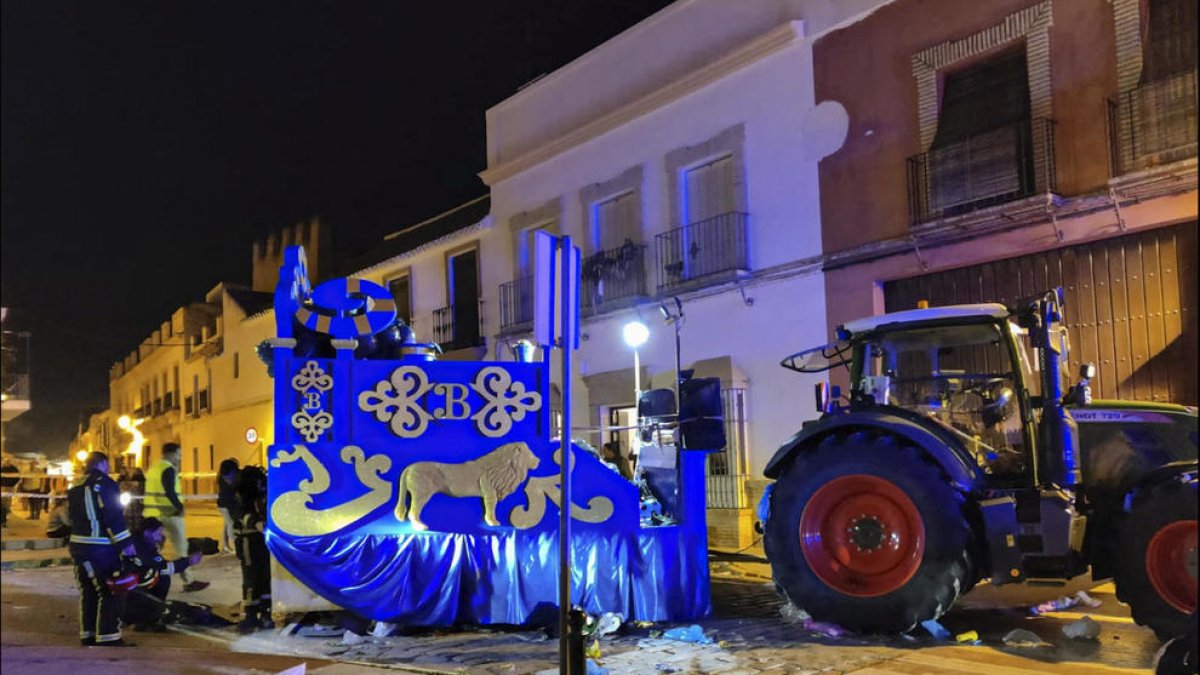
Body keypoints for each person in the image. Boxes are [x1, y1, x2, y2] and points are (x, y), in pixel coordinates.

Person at [68, 451, 136, 646]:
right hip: (98, 546)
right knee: (110, 590)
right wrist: (125, 543)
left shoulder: (76, 485)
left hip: (78, 545)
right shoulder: (105, 483)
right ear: (104, 463)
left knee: (88, 591)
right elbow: (113, 516)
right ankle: (108, 637)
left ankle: (88, 634)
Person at [143, 443, 208, 592]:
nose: (179, 458)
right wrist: (180, 507)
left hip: (153, 515)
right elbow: (170, 492)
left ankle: (148, 577)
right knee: (181, 547)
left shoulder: (153, 468)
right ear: (170, 454)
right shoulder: (168, 469)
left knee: (152, 549)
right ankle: (189, 581)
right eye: (178, 454)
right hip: (170, 513)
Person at [122, 517, 203, 631]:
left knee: (160, 577)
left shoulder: (143, 542)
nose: (160, 537)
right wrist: (188, 561)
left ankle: (148, 614)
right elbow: (163, 568)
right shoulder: (140, 547)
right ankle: (144, 617)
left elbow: (160, 564)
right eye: (158, 533)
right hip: (129, 590)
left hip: (132, 585)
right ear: (147, 532)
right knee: (162, 578)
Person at [234, 466, 272, 633]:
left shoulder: (261, 495)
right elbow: (243, 515)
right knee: (252, 578)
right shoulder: (243, 496)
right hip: (249, 542)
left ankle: (264, 614)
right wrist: (255, 522)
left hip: (261, 542)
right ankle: (251, 615)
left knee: (264, 578)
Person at [216, 459, 240, 555]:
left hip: (222, 504)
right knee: (231, 524)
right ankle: (235, 547)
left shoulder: (220, 477)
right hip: (226, 505)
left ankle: (226, 546)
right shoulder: (227, 478)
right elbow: (230, 492)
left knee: (227, 525)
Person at [0, 457, 18, 528]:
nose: (6, 463)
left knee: (6, 503)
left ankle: (4, 519)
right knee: (3, 503)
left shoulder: (14, 469)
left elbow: (17, 477)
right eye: (5, 461)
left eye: (7, 461)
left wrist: (12, 484)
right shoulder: (2, 468)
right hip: (2, 487)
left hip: (9, 487)